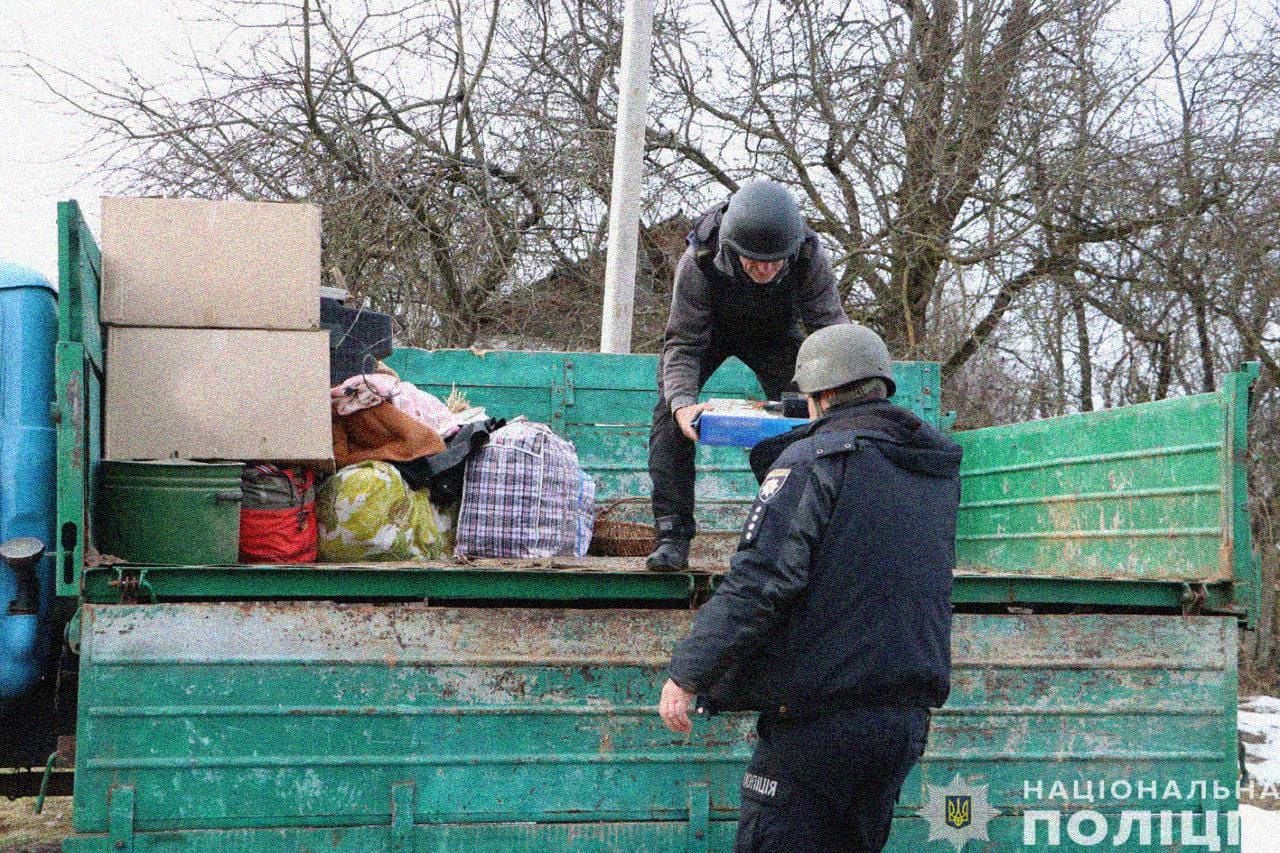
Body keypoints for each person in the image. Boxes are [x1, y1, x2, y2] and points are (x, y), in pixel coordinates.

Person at [657, 323, 962, 853]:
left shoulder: (818, 460)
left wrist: (689, 673)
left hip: (817, 726)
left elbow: (760, 581)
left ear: (818, 396)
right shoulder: (933, 471)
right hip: (902, 726)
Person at [646, 179, 849, 571]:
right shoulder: (698, 260)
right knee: (669, 416)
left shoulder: (809, 258)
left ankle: (802, 531)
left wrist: (832, 395)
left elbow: (831, 333)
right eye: (754, 260)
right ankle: (672, 535)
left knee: (800, 418)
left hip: (777, 338)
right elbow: (682, 344)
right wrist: (682, 406)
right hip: (708, 334)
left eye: (775, 261)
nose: (766, 269)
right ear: (731, 249)